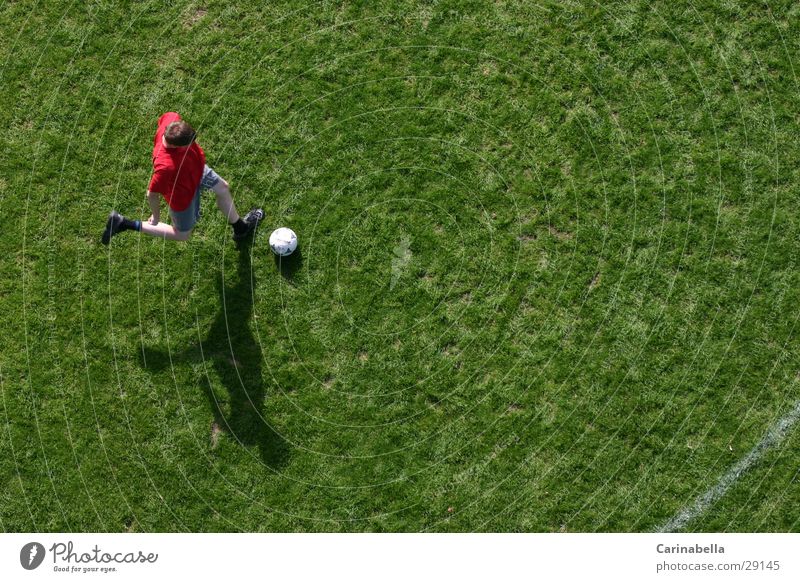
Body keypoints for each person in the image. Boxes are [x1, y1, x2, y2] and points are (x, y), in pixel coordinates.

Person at [101, 112, 262, 245]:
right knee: (182, 235)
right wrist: (156, 216)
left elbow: (165, 119)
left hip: (196, 169)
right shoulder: (165, 166)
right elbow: (151, 193)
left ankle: (240, 229)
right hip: (182, 193)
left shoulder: (172, 120)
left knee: (223, 188)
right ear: (175, 146)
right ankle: (124, 223)